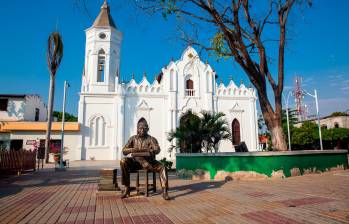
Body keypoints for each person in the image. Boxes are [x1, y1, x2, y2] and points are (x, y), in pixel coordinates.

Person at [120, 118, 170, 200]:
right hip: (135, 163)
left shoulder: (151, 139)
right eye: (140, 128)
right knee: (123, 161)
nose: (142, 130)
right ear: (137, 129)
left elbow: (157, 149)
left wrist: (152, 150)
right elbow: (124, 151)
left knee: (163, 167)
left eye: (144, 128)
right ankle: (126, 188)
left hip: (148, 163)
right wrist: (132, 149)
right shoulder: (133, 138)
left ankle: (165, 191)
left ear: (147, 129)